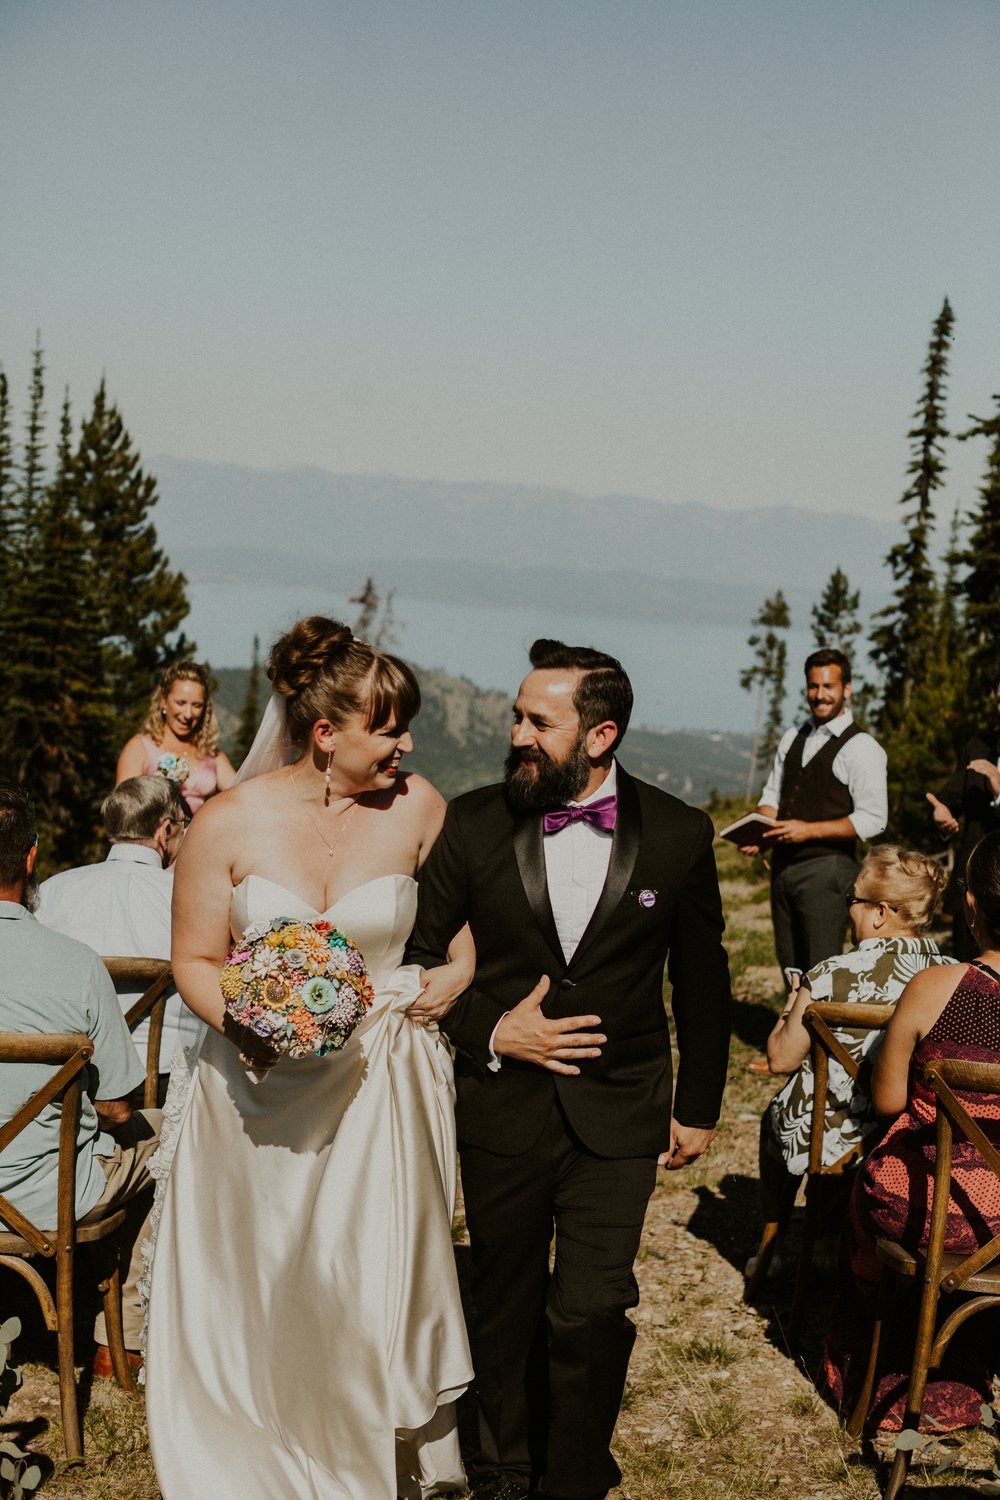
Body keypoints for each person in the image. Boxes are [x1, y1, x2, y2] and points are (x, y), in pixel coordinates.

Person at [145, 617, 474, 1500]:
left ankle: (356, 1449)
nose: (407, 745)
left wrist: (456, 976)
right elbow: (194, 961)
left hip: (374, 1091)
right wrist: (250, 1025)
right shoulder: (229, 820)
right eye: (390, 729)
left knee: (355, 1281)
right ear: (327, 735)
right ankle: (243, 1449)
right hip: (251, 1090)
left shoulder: (423, 808)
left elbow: (465, 936)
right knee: (258, 1275)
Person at [408, 638, 732, 1500]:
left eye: (536, 721)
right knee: (504, 1302)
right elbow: (415, 957)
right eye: (517, 716)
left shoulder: (679, 833)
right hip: (500, 1103)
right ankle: (503, 1470)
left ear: (600, 735)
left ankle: (575, 1473)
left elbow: (703, 979)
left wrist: (699, 1104)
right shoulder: (472, 824)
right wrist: (490, 1032)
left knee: (589, 1307)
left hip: (621, 1108)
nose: (516, 732)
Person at [824, 829, 1000, 1431]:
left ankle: (876, 1367)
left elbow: (889, 1098)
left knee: (870, 1188)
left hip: (927, 1205)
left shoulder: (934, 988)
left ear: (972, 907)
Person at [0, 785, 160, 1378]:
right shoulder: (76, 964)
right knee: (166, 1140)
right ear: (32, 857)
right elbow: (116, 1108)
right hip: (50, 1197)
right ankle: (118, 1340)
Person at [751, 846, 953, 1277]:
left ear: (880, 912)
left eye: (853, 902)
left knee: (777, 1117)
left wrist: (791, 1002)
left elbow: (781, 1059)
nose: (849, 913)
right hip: (904, 1135)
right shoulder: (952, 976)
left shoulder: (831, 973)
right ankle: (832, 1239)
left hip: (827, 1134)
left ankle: (774, 1248)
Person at [36, 776, 206, 1097]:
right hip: (163, 1080)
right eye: (184, 824)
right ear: (165, 829)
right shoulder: (191, 899)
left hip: (71, 1080)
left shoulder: (51, 892)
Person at [740, 648, 887, 986]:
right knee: (790, 968)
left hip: (828, 871)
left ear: (847, 689)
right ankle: (796, 1038)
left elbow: (874, 819)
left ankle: (826, 1038)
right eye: (813, 686)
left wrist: (808, 831)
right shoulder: (794, 737)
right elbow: (772, 796)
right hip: (783, 868)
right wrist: (759, 830)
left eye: (829, 686)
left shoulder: (862, 747)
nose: (820, 695)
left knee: (823, 974)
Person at [926, 669, 1000, 959]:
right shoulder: (976, 747)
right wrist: (940, 816)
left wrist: (998, 791)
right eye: (999, 699)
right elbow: (946, 799)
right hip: (974, 893)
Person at [116, 659, 236, 818]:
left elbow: (240, 793)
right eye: (181, 703)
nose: (188, 714)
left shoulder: (212, 754)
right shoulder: (139, 747)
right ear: (163, 701)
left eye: (197, 705)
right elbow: (121, 809)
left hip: (199, 839)